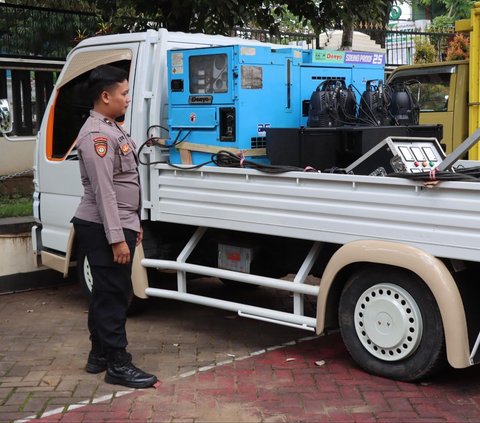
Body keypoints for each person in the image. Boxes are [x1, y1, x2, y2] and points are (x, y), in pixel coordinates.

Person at [71, 64, 157, 389]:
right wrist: (117, 238)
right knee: (114, 295)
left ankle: (99, 355)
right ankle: (118, 365)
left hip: (118, 224)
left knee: (106, 292)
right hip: (104, 226)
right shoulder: (96, 136)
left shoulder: (110, 128)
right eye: (123, 93)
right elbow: (104, 192)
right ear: (105, 96)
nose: (128, 98)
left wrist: (133, 224)